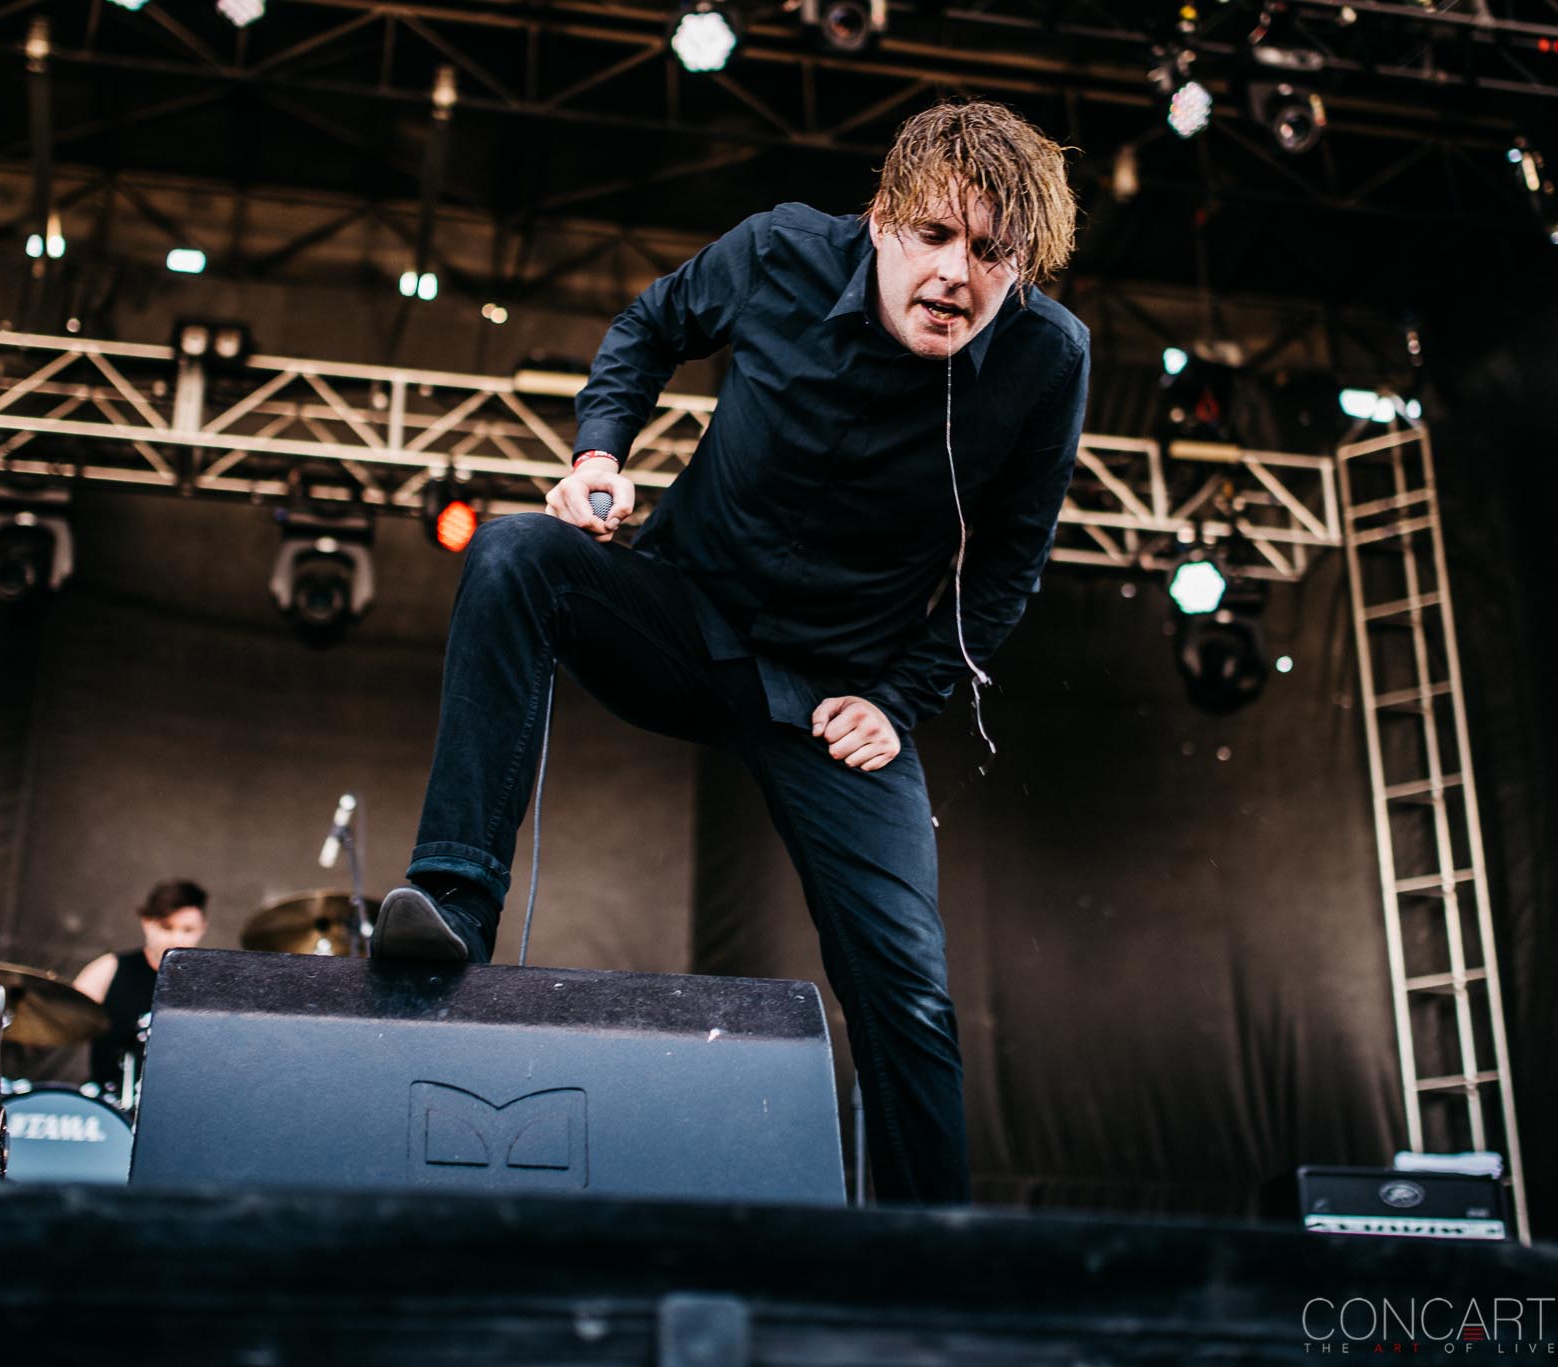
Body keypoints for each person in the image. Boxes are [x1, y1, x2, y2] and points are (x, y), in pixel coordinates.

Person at [369, 100, 1088, 1205]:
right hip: (681, 620)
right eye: (936, 235)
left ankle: (929, 1264)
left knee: (909, 996)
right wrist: (599, 456)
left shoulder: (1047, 358)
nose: (956, 274)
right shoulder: (777, 250)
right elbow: (646, 327)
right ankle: (453, 901)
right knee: (513, 554)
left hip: (834, 703)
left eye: (991, 255)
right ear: (882, 218)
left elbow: (1007, 563)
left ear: (1021, 267)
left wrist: (899, 700)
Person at [72, 878, 210, 1092]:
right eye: (166, 927)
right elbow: (62, 1017)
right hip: (109, 1101)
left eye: (187, 930)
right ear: (147, 922)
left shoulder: (208, 983)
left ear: (202, 929)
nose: (177, 938)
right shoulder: (109, 968)